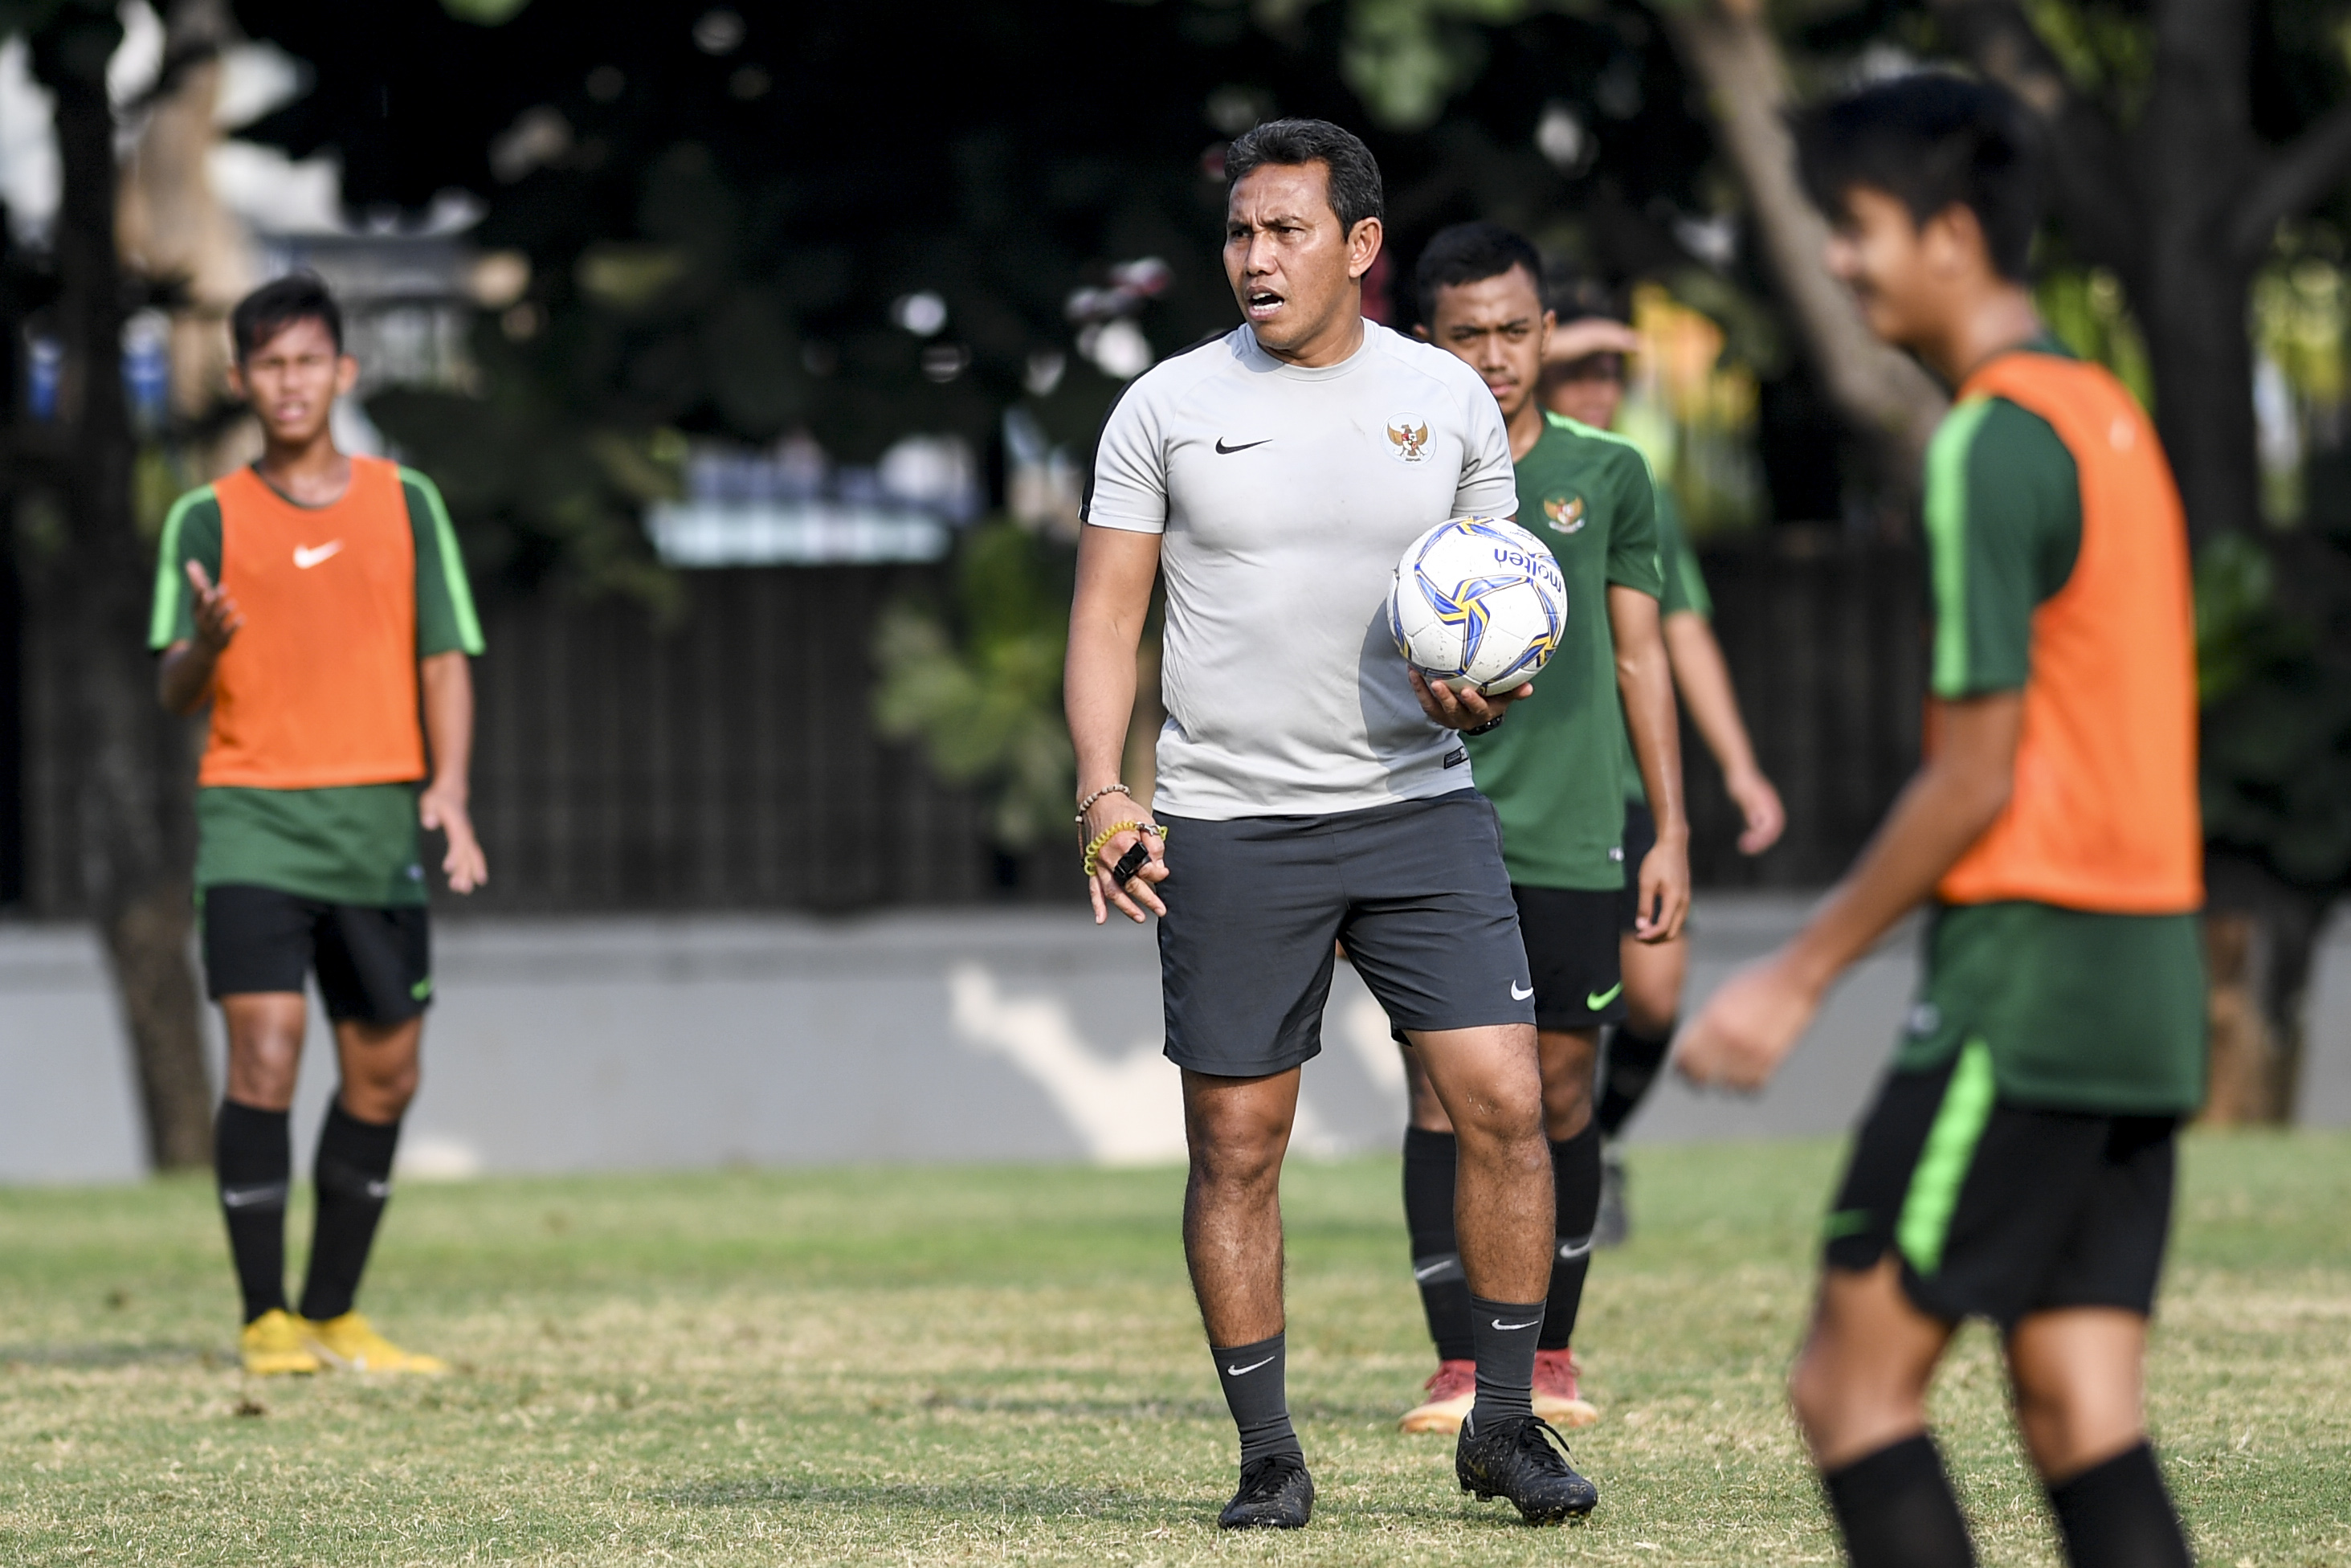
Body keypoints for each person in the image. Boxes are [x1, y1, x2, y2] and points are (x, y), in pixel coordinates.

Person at [1676, 75, 2202, 1568]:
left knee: (1848, 1387)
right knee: (2075, 1401)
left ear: (1954, 235)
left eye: (1856, 229)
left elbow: (1973, 774)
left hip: (2028, 983)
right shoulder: (2105, 414)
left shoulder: (1986, 441)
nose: (1837, 264)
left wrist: (1797, 971)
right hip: (2145, 981)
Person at [1067, 120, 1595, 1529]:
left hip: (1420, 810)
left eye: (1284, 231)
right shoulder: (1165, 406)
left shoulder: (1446, 398)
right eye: (1240, 232)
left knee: (1508, 1105)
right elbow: (1110, 614)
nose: (1254, 258)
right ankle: (1266, 1456)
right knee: (1237, 1145)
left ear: (1360, 248)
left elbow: (1501, 603)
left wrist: (1483, 697)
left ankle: (1499, 1422)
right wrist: (1104, 786)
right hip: (1232, 825)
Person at [152, 272, 488, 1378]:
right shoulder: (204, 518)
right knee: (266, 1051)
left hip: (374, 828)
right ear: (241, 379)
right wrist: (205, 638)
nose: (288, 383)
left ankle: (334, 1309)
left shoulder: (407, 501)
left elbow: (444, 652)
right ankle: (264, 1318)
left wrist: (447, 789)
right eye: (268, 364)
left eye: (308, 361)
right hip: (252, 823)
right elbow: (173, 690)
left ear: (341, 371)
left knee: (386, 1072)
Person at [1391, 223, 1690, 1438]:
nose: (1495, 355)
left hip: (1574, 835)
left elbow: (1639, 656)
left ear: (1545, 334)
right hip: (1428, 824)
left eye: (1515, 331)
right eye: (1467, 334)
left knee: (1560, 1089)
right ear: (1428, 343)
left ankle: (1548, 1351)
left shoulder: (1607, 473)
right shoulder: (1397, 474)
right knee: (1441, 1090)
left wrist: (1667, 828)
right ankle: (1458, 1363)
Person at [1541, 308, 1788, 1245]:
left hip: (1625, 790)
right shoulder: (1482, 472)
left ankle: (1591, 1149)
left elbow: (1678, 629)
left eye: (1612, 369)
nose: (1599, 386)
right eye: (1579, 369)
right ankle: (1535, 1178)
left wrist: (1737, 765)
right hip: (1522, 795)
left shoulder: (1630, 481)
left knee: (1651, 997)